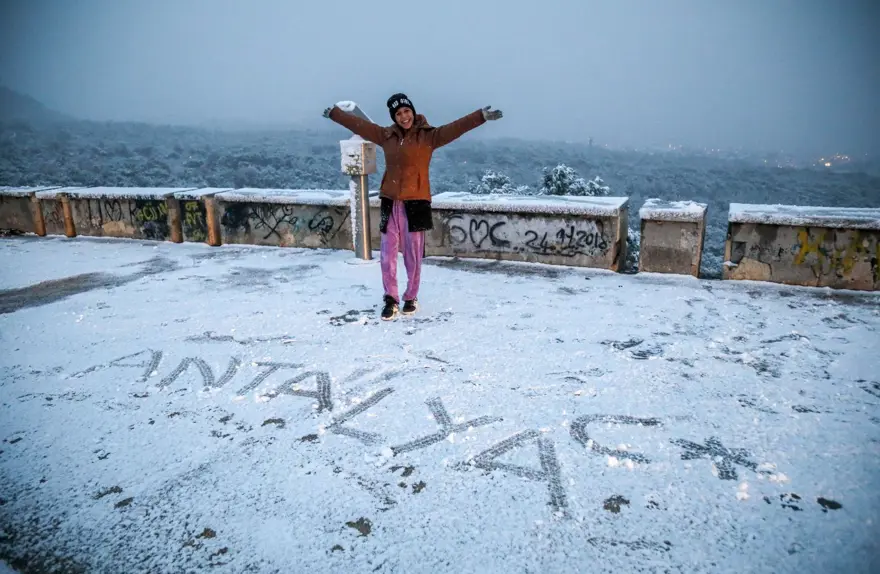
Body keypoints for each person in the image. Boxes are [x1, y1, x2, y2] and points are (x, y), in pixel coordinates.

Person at [324, 94, 503, 320]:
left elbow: (457, 127)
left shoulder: (429, 136)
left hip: (416, 202)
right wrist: (335, 114)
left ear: (412, 111)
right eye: (398, 114)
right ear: (394, 117)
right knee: (387, 254)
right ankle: (391, 298)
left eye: (406, 111)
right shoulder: (386, 136)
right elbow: (360, 125)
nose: (404, 116)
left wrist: (480, 116)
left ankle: (411, 296)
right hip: (390, 201)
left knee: (413, 255)